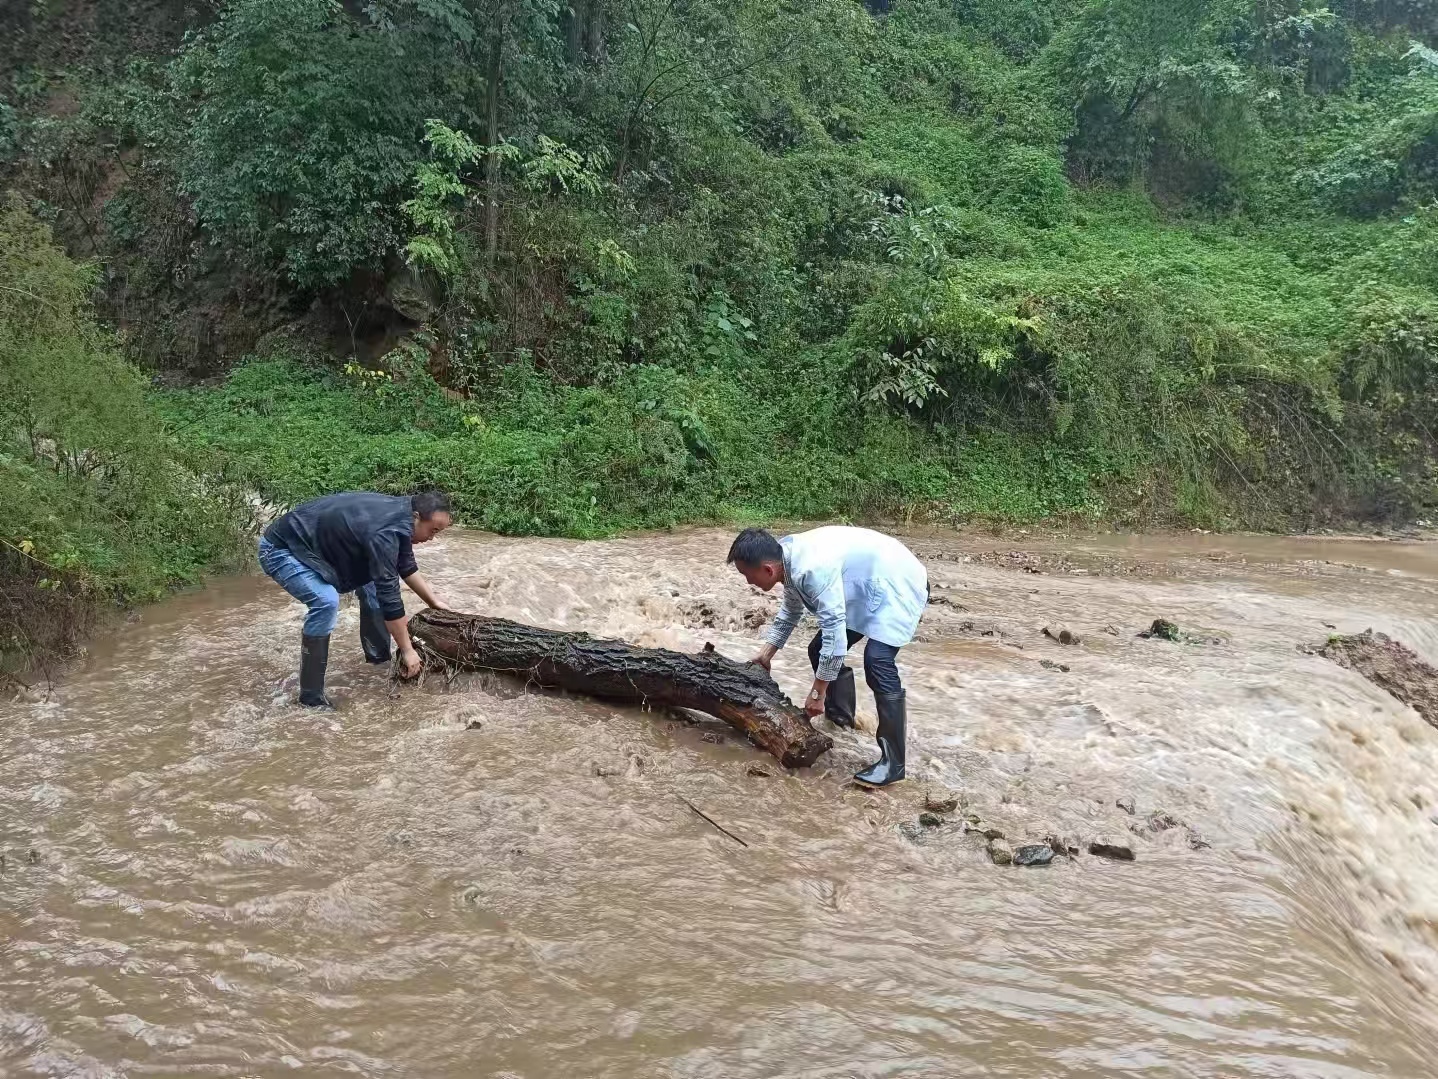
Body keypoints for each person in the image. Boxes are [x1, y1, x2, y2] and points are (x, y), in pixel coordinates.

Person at [728, 526, 928, 787]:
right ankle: (842, 720)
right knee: (817, 648)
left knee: (877, 661)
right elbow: (790, 612)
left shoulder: (810, 570)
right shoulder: (785, 559)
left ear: (767, 569)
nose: (748, 582)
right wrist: (766, 655)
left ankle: (894, 763)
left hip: (899, 581)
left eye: (747, 575)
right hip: (868, 584)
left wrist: (817, 692)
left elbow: (835, 634)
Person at [259, 490, 455, 708]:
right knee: (326, 602)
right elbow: (390, 596)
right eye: (432, 530)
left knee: (373, 589)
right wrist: (408, 650)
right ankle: (310, 698)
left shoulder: (402, 517)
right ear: (416, 517)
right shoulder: (386, 531)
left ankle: (379, 661)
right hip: (281, 549)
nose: (431, 538)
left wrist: (433, 602)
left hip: (317, 547)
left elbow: (406, 565)